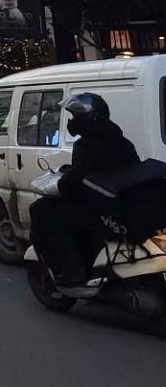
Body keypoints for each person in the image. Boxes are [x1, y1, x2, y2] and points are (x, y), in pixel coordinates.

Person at [30, 92, 139, 285]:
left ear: (87, 117)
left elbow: (75, 182)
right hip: (123, 204)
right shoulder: (121, 141)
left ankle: (71, 269)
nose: (72, 121)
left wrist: (59, 185)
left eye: (75, 117)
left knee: (43, 211)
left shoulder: (87, 145)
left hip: (98, 208)